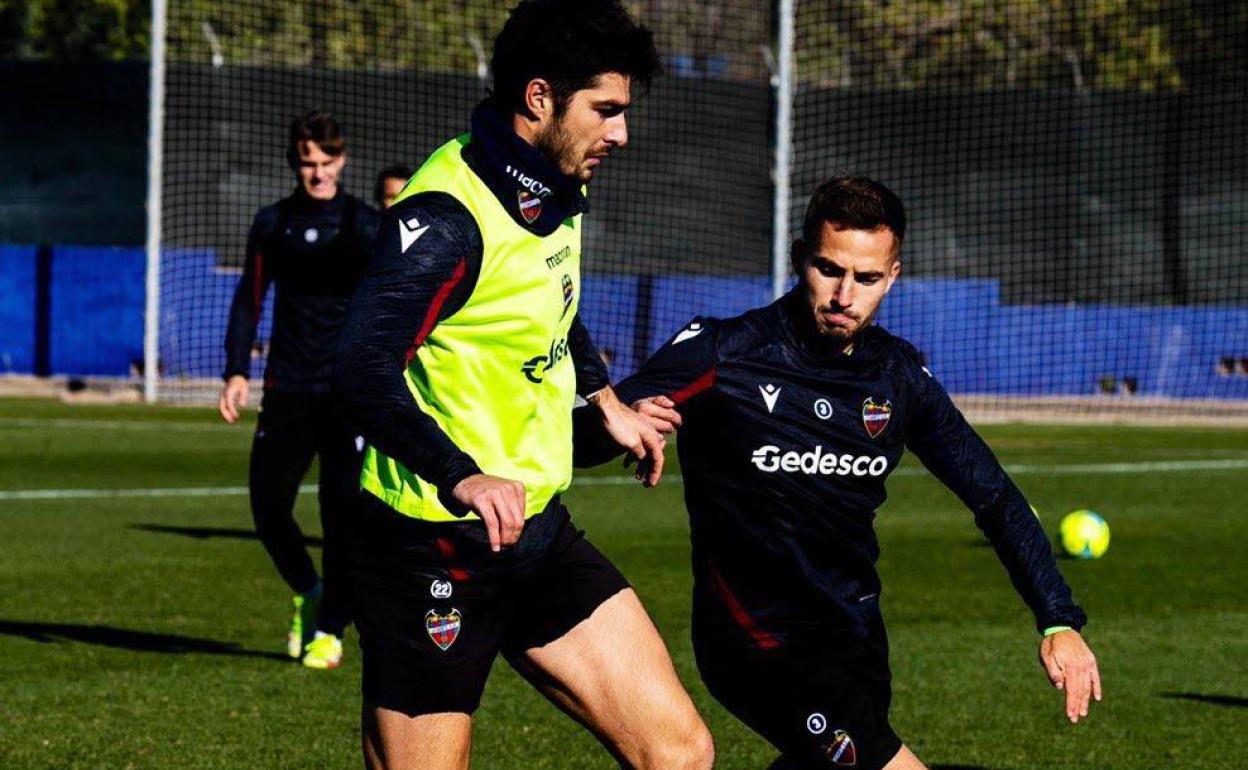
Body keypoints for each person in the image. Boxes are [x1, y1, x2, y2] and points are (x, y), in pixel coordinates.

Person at [577, 176, 1102, 770]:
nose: (844, 295)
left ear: (893, 276)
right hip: (754, 639)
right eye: (829, 270)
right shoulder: (724, 351)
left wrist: (1057, 617)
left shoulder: (898, 378)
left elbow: (995, 498)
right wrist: (611, 422)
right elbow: (585, 439)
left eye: (868, 278)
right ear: (802, 259)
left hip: (853, 638)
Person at [332, 2, 713, 769]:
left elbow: (552, 300)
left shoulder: (555, 184)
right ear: (539, 99)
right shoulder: (444, 220)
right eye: (605, 110)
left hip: (536, 532)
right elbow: (360, 365)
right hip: (428, 548)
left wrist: (606, 401)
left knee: (679, 753)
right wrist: (462, 475)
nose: (621, 133)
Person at [219, 111, 382, 670]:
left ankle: (332, 629)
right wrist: (236, 370)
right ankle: (308, 591)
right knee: (267, 506)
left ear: (342, 159)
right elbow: (249, 297)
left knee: (341, 516)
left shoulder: (364, 225)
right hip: (287, 386)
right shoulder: (273, 223)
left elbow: (386, 304)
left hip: (346, 395)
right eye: (307, 163)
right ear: (295, 163)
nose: (317, 173)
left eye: (326, 162)